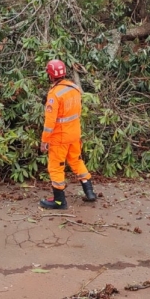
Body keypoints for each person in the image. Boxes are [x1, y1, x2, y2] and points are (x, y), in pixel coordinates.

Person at [39, 59, 97, 209]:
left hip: (60, 138)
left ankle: (59, 201)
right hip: (75, 134)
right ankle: (89, 192)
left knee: (56, 167)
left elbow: (50, 122)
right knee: (77, 161)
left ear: (50, 76)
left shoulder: (54, 94)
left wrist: (44, 141)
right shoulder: (74, 88)